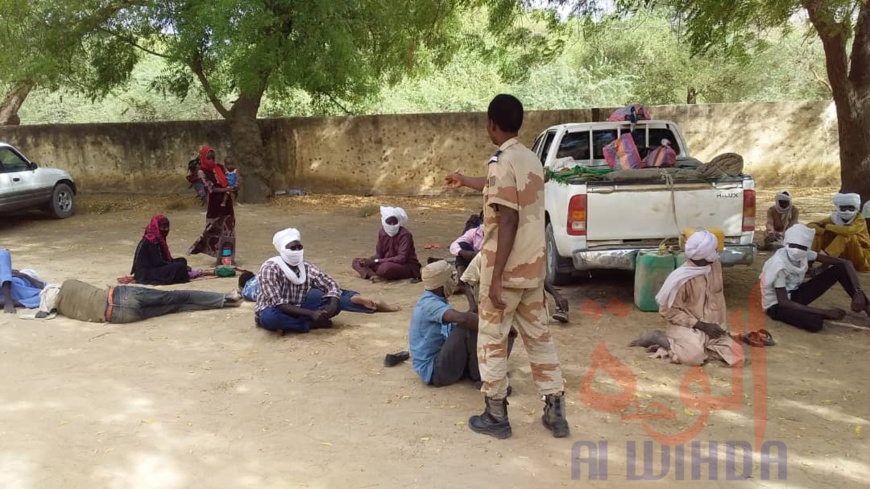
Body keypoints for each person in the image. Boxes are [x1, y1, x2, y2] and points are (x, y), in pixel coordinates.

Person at [444, 94, 568, 440]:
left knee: (492, 342)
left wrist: (494, 277)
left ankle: (496, 415)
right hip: (533, 271)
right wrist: (466, 181)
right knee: (540, 340)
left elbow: (509, 218)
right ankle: (556, 411)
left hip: (506, 271)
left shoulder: (500, 162)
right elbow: (507, 193)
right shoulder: (530, 159)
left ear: (491, 124)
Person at [629, 230, 743, 367]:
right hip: (687, 326)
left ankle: (677, 347)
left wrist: (713, 327)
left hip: (712, 327)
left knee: (737, 356)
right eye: (713, 251)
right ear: (703, 256)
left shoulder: (715, 266)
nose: (716, 254)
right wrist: (702, 325)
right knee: (694, 357)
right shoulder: (680, 279)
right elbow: (667, 312)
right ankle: (659, 338)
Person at [256, 228, 398, 334]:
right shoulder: (270, 268)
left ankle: (361, 302)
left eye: (299, 247)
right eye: (292, 248)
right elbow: (278, 304)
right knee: (270, 319)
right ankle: (309, 325)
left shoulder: (305, 266)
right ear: (282, 249)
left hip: (301, 305)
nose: (297, 250)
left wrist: (333, 302)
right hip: (276, 310)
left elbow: (330, 284)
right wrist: (311, 315)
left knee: (334, 302)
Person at [762, 224, 870, 333]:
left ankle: (867, 307)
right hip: (777, 304)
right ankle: (815, 315)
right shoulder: (779, 265)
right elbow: (783, 302)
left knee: (840, 269)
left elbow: (846, 263)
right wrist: (824, 312)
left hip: (793, 294)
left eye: (802, 247)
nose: (797, 250)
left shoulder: (804, 253)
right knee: (814, 323)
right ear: (786, 244)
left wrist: (858, 291)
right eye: (793, 245)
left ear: (806, 247)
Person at [409, 260, 483, 387]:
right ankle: (482, 376)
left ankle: (478, 370)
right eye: (451, 277)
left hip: (439, 363)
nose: (454, 282)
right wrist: (497, 324)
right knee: (466, 326)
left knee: (468, 323)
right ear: (441, 283)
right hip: (435, 372)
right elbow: (463, 320)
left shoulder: (433, 300)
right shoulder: (430, 304)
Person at [41, 279, 242, 323]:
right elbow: (39, 281)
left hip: (119, 316)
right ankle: (227, 298)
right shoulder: (68, 284)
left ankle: (225, 302)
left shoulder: (65, 310)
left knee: (178, 306)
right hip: (121, 295)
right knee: (181, 295)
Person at [462, 253, 569, 323]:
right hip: (491, 308)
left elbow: (537, 277)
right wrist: (473, 306)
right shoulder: (483, 256)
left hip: (513, 306)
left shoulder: (521, 256)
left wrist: (556, 295)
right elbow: (467, 282)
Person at [189, 146, 237, 264]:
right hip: (215, 205)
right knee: (212, 230)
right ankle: (212, 255)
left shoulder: (219, 167)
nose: (211, 159)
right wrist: (227, 189)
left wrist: (234, 188)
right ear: (203, 158)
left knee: (229, 232)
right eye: (208, 157)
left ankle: (227, 258)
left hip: (227, 205)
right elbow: (210, 188)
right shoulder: (201, 172)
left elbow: (229, 180)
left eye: (213, 157)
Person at [352, 206, 422, 283]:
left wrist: (376, 261)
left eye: (394, 222)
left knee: (385, 268)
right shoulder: (382, 233)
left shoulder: (405, 235)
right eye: (389, 222)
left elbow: (401, 258)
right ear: (384, 221)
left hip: (405, 266)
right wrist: (369, 260)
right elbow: (379, 254)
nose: (392, 225)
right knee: (357, 261)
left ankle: (375, 273)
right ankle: (373, 276)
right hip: (384, 262)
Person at [808, 193, 870, 272]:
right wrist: (823, 231)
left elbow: (848, 231)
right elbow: (810, 225)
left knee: (846, 236)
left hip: (862, 257)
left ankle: (825, 265)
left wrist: (829, 227)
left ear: (856, 208)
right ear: (838, 208)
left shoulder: (860, 220)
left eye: (850, 208)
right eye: (844, 208)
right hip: (844, 257)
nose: (847, 211)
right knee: (819, 234)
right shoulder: (834, 218)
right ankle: (809, 262)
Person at [131, 215, 190, 285]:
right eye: (163, 227)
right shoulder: (152, 240)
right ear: (157, 227)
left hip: (154, 268)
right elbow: (158, 262)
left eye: (167, 227)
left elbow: (164, 259)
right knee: (180, 267)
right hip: (146, 273)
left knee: (182, 260)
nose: (166, 230)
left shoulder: (159, 238)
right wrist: (175, 265)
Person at [0, 249, 44, 314]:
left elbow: (44, 289)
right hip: (4, 286)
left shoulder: (32, 290)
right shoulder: (9, 276)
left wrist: (26, 276)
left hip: (6, 297)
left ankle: (8, 301)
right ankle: (8, 301)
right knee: (3, 253)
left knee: (3, 253)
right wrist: (7, 272)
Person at [449, 211, 484, 292]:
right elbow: (454, 245)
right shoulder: (474, 232)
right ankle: (462, 283)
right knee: (462, 246)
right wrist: (463, 252)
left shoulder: (500, 233)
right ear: (481, 221)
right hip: (475, 261)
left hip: (490, 262)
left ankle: (465, 282)